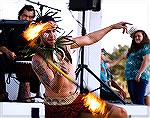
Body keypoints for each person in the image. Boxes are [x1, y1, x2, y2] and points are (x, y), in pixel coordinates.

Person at [31, 15, 129, 118]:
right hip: (57, 108)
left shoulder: (64, 43)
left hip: (78, 100)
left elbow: (90, 38)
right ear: (39, 33)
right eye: (47, 32)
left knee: (120, 113)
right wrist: (60, 74)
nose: (52, 35)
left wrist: (112, 27)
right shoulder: (38, 59)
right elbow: (55, 89)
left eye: (54, 31)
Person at [0, 5, 40, 102]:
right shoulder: (10, 28)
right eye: (25, 16)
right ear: (19, 16)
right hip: (10, 61)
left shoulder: (35, 31)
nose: (27, 19)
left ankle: (30, 95)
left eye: (30, 17)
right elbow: (0, 44)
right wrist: (7, 51)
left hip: (28, 63)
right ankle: (2, 94)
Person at [125, 30, 150, 105]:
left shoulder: (146, 46)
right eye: (135, 36)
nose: (136, 38)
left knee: (139, 101)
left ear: (143, 37)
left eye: (139, 36)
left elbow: (147, 60)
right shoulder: (133, 49)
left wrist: (139, 74)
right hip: (130, 77)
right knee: (134, 101)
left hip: (139, 78)